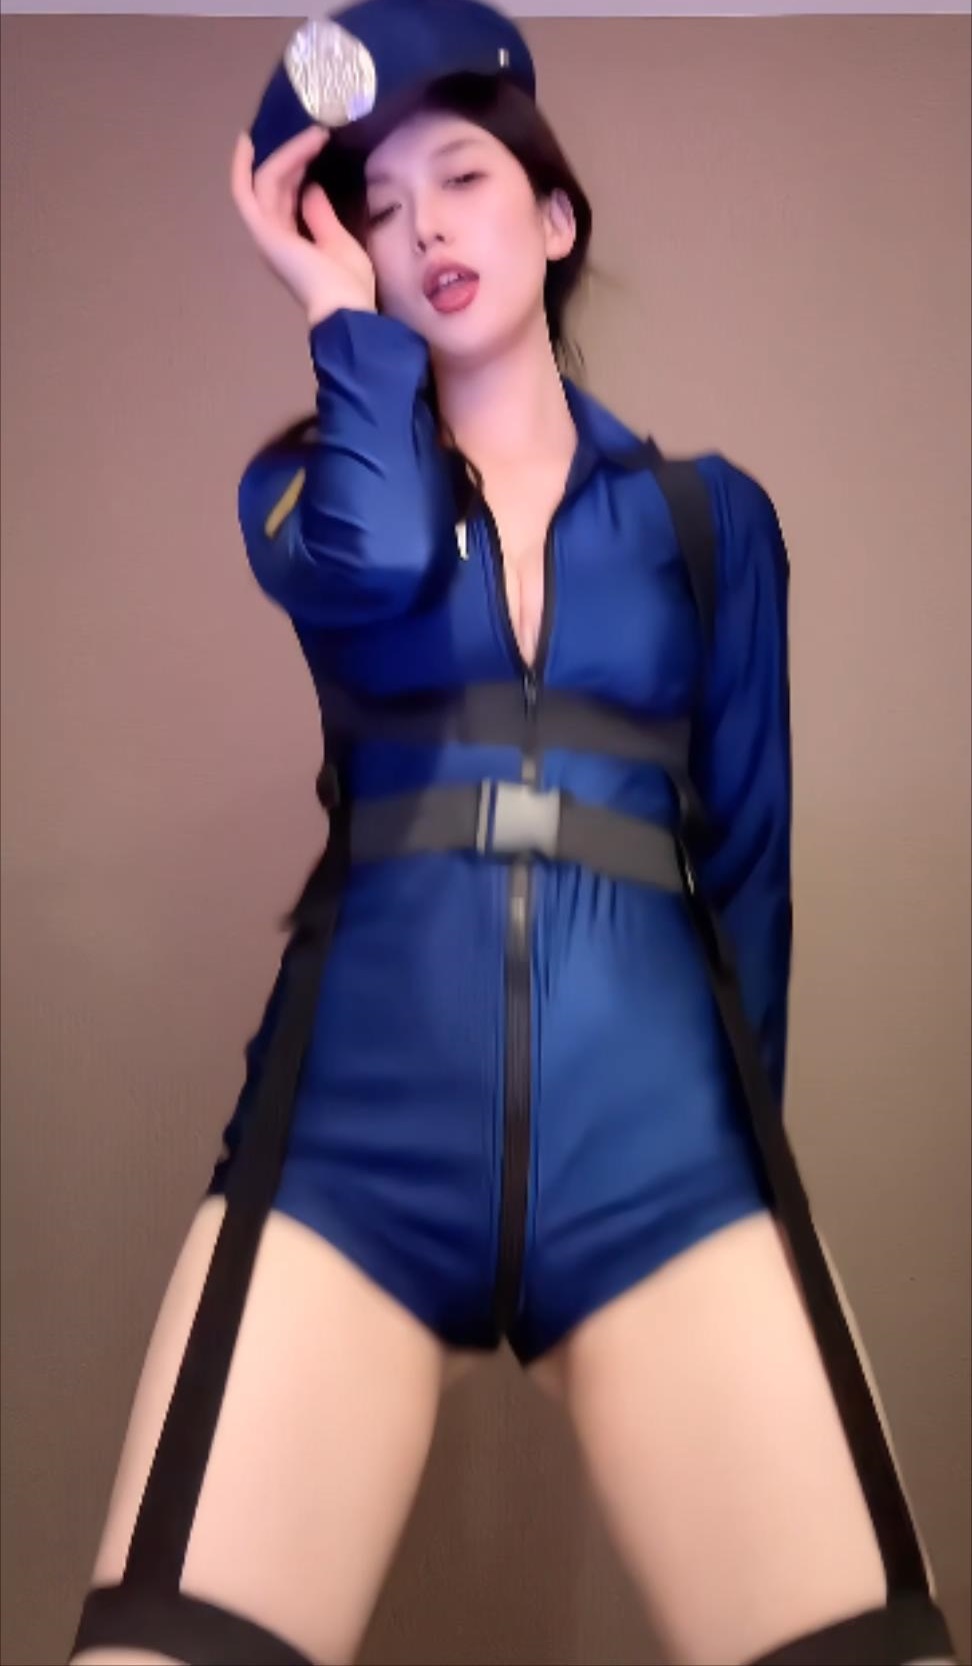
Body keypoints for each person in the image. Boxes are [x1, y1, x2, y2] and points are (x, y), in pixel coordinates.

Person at [68, 3, 957, 1664]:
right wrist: (341, 319)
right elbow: (387, 560)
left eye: (463, 179)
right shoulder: (308, 497)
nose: (423, 228)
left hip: (658, 1170)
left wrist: (741, 1168)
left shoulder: (708, 519)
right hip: (347, 1165)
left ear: (553, 217)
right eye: (379, 208)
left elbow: (746, 865)